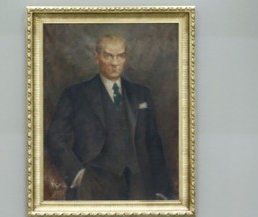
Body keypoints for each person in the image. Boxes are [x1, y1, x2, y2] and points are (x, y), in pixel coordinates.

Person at [45, 34, 174, 201]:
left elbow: (153, 143)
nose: (115, 63)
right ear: (96, 57)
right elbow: (55, 138)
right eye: (108, 56)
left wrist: (161, 190)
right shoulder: (75, 94)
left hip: (139, 185)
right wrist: (77, 174)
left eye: (120, 56)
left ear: (126, 58)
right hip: (92, 184)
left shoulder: (142, 94)